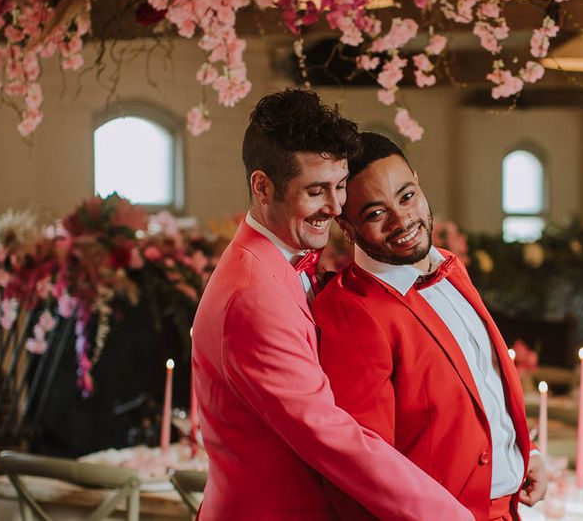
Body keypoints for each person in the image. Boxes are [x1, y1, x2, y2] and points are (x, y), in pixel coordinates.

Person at [192, 91, 473, 520]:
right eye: (316, 190)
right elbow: (332, 437)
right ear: (262, 187)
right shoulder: (253, 294)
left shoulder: (280, 261)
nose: (337, 206)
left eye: (340, 186)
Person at [313, 132, 547, 521]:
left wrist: (524, 453)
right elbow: (362, 471)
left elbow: (481, 387)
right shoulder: (353, 310)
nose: (402, 220)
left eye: (406, 197)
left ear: (418, 183)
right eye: (375, 213)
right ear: (347, 228)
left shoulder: (450, 268)